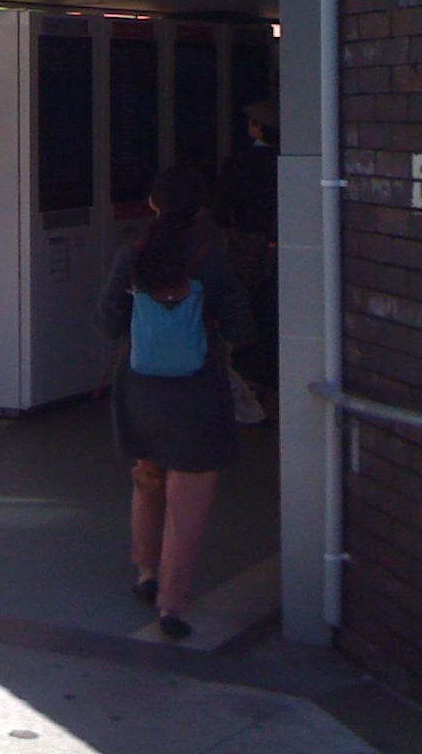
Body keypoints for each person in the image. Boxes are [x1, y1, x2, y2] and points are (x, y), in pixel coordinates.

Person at [95, 165, 254, 640]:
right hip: (196, 390)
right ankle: (171, 606)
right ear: (201, 208)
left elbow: (107, 319)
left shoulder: (133, 253)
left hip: (141, 387)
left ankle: (145, 574)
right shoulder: (210, 255)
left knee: (148, 479)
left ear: (152, 203)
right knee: (188, 500)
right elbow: (240, 323)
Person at [215, 100, 279, 406]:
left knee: (246, 307)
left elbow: (221, 211)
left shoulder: (235, 163)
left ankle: (249, 380)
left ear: (256, 128)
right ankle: (275, 375)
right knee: (276, 307)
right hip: (280, 242)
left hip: (244, 244)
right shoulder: (283, 162)